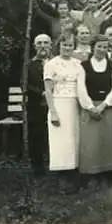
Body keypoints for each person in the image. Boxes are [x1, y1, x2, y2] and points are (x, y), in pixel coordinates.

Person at [77, 35, 112, 181]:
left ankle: (107, 174)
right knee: (91, 142)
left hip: (107, 108)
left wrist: (103, 105)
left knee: (107, 141)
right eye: (99, 46)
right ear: (93, 47)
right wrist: (91, 107)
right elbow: (81, 88)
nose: (102, 50)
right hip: (89, 109)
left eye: (105, 47)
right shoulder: (83, 66)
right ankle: (91, 175)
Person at [43, 31, 82, 173]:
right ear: (59, 45)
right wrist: (53, 112)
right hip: (58, 104)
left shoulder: (78, 63)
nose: (67, 48)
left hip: (75, 104)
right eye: (64, 45)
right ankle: (61, 175)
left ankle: (74, 171)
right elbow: (48, 90)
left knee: (74, 140)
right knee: (60, 141)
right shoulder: (51, 64)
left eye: (70, 45)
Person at [26, 34, 52, 175]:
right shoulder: (30, 64)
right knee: (36, 136)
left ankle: (56, 165)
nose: (43, 46)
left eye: (45, 43)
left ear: (50, 45)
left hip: (56, 104)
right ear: (35, 46)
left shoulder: (56, 63)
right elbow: (25, 84)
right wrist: (41, 93)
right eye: (39, 43)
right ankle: (38, 168)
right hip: (37, 105)